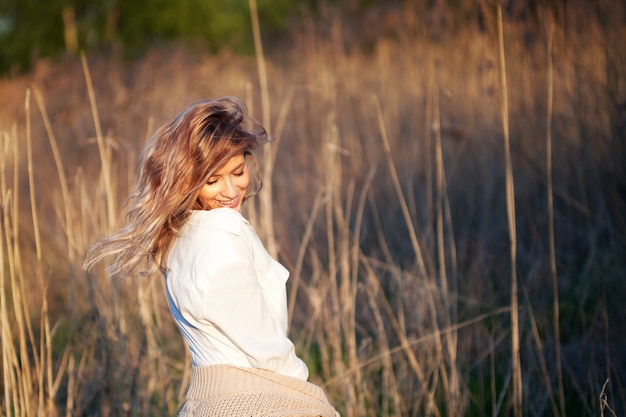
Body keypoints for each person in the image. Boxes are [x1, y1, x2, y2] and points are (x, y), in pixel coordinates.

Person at [83, 97, 340, 416]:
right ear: (187, 182)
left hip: (204, 401)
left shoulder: (176, 237)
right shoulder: (224, 232)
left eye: (238, 171)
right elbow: (266, 350)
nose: (231, 191)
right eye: (212, 180)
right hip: (258, 399)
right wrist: (312, 402)